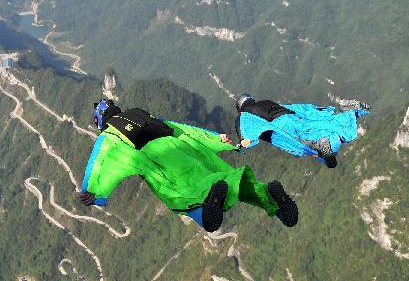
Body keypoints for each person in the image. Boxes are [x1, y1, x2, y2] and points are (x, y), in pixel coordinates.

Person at [78, 99, 298, 231]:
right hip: (186, 147)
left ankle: (208, 213)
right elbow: (183, 129)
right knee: (231, 180)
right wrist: (217, 140)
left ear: (101, 121)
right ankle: (272, 198)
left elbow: (105, 161)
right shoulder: (139, 113)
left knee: (182, 196)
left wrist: (93, 190)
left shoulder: (110, 135)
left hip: (163, 158)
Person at [234, 94, 370, 168]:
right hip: (293, 116)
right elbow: (291, 108)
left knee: (305, 144)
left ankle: (321, 145)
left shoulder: (244, 116)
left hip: (283, 125)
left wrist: (242, 142)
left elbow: (243, 131)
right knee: (321, 125)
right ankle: (344, 111)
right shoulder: (264, 102)